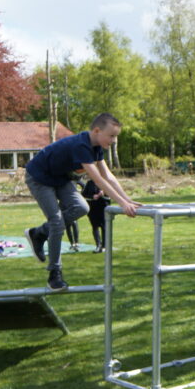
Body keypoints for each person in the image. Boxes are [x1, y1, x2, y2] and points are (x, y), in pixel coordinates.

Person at [24, 113, 141, 290]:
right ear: (96, 130)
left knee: (81, 207)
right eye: (111, 136)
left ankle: (39, 233)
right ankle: (54, 274)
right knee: (57, 222)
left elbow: (108, 175)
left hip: (60, 178)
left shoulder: (96, 147)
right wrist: (122, 204)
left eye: (115, 136)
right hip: (39, 177)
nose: (114, 140)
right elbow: (99, 180)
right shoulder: (81, 145)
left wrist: (127, 199)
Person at [82, 178, 111, 253]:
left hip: (103, 207)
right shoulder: (89, 183)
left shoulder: (105, 181)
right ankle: (98, 245)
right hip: (93, 207)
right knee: (95, 226)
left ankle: (105, 246)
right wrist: (92, 197)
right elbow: (84, 195)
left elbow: (111, 194)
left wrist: (104, 193)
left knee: (104, 226)